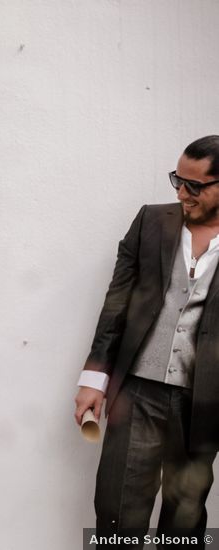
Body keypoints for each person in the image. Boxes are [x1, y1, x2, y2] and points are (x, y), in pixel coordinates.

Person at [74, 136, 219, 547]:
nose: (181, 191)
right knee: (118, 513)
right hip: (138, 391)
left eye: (194, 185)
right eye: (178, 179)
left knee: (186, 523)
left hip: (204, 402)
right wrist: (94, 379)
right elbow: (116, 304)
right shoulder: (151, 222)